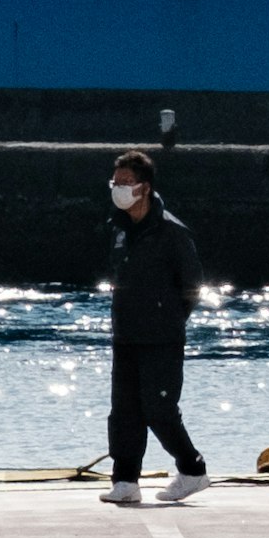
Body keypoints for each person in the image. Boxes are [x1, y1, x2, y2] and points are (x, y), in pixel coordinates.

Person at [101, 146, 207, 496]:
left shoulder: (172, 232)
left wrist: (169, 317)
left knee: (159, 410)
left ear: (144, 187)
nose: (119, 188)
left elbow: (192, 286)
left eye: (126, 182)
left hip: (162, 338)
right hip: (126, 334)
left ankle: (193, 470)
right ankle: (126, 481)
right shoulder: (116, 228)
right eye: (115, 182)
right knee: (124, 413)